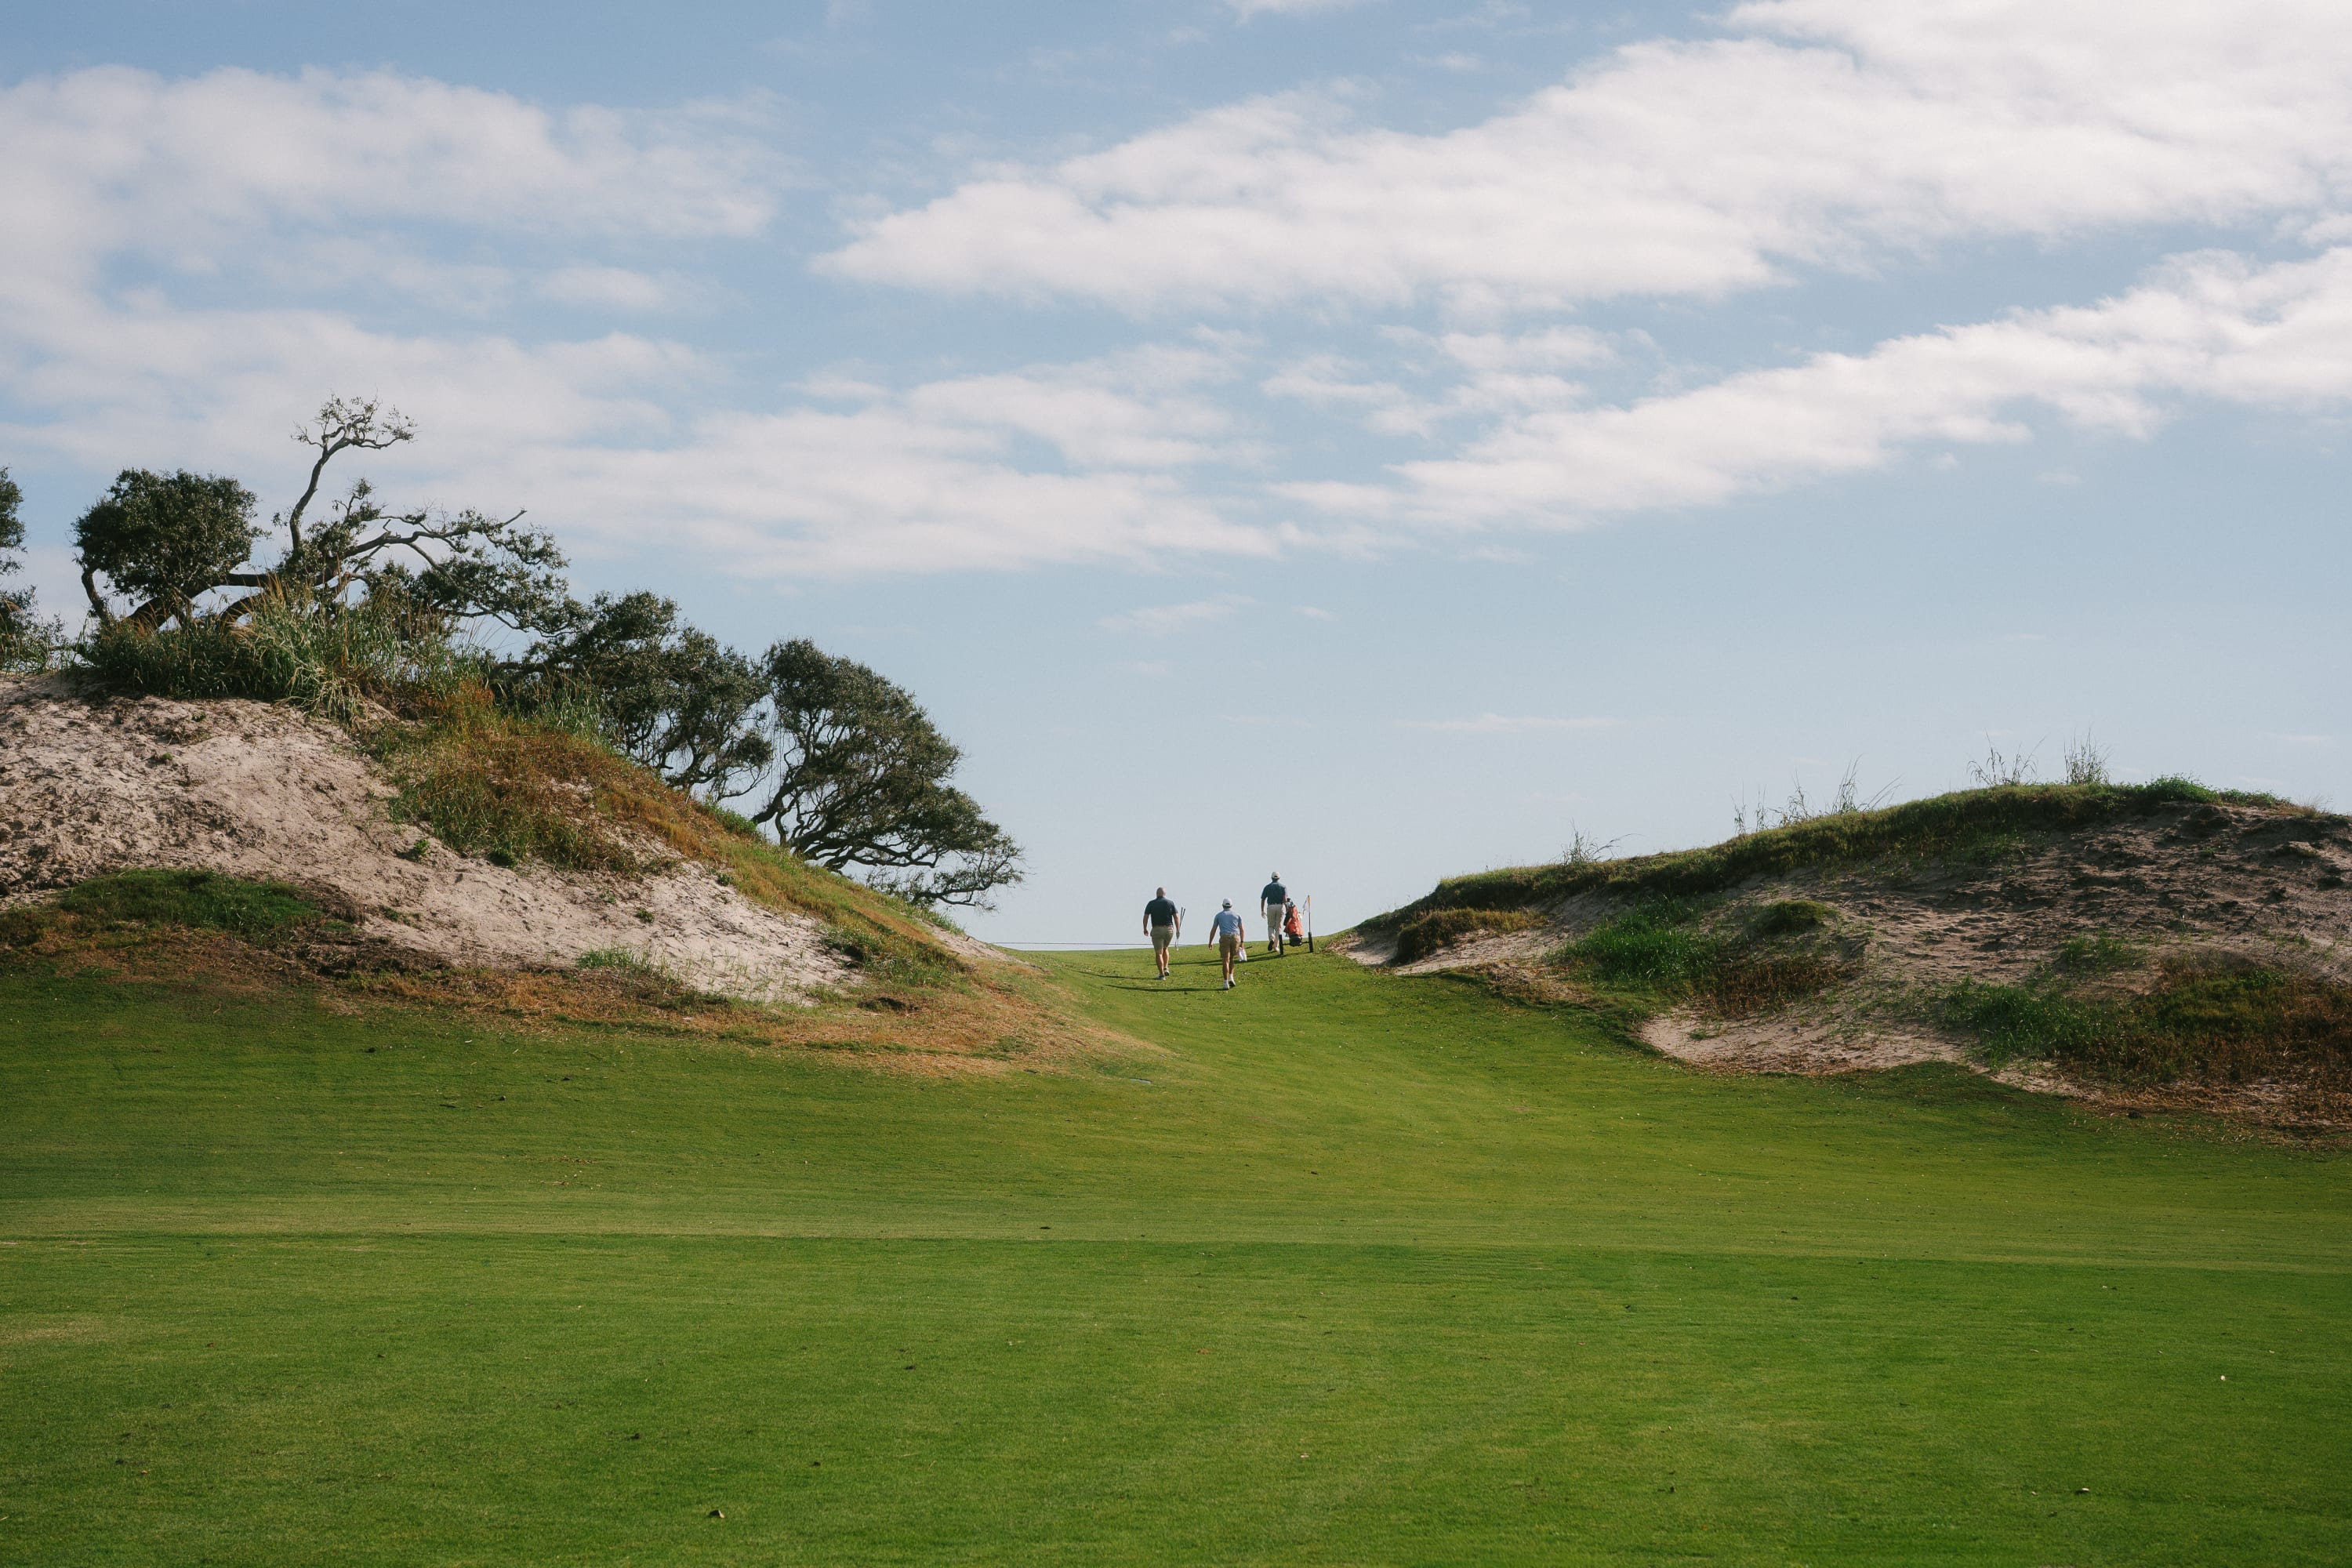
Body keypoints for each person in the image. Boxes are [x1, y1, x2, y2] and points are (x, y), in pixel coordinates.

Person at [1142, 887, 1181, 979]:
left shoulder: (1151, 903)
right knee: (1165, 948)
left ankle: (1161, 975)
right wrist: (1178, 930)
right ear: (1165, 894)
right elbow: (1176, 917)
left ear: (1157, 894)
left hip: (1157, 930)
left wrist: (1145, 928)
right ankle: (1166, 967)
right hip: (1169, 930)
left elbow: (1146, 917)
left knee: (1158, 953)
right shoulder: (1170, 903)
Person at [1207, 899, 1246, 989]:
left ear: (1223, 905)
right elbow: (1242, 929)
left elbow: (1214, 930)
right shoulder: (1237, 915)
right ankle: (1231, 977)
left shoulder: (1219, 916)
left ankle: (1225, 983)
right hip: (1235, 937)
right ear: (1231, 906)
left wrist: (1210, 942)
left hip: (1225, 937)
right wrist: (1242, 942)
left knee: (1225, 960)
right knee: (1232, 958)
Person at [1260, 872, 1290, 955]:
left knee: (1270, 926)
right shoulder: (1283, 887)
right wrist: (1287, 909)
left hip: (1271, 907)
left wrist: (1262, 910)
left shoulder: (1267, 887)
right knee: (1278, 927)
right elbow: (1284, 900)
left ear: (1272, 878)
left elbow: (1263, 899)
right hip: (1280, 906)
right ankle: (1276, 946)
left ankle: (1271, 939)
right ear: (1279, 878)